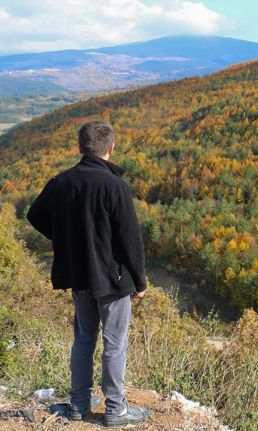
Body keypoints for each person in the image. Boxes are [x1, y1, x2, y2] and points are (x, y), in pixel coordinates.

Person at [27, 120, 149, 428]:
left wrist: (67, 239)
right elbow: (130, 239)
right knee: (114, 342)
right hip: (113, 279)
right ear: (111, 148)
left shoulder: (63, 181)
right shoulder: (115, 186)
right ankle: (115, 410)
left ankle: (79, 405)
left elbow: (35, 215)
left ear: (80, 147)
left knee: (83, 339)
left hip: (78, 274)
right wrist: (140, 281)